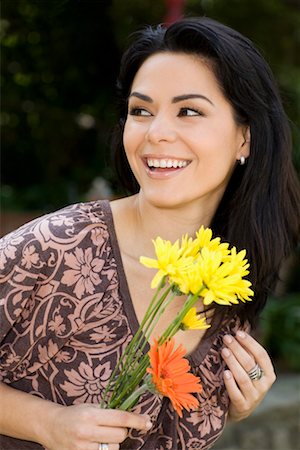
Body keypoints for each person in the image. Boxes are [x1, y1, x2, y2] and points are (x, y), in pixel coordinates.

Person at [1, 16, 299, 450]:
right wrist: (48, 423)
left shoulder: (229, 289)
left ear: (245, 138)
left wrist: (234, 405)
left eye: (189, 111)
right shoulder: (58, 247)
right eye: (141, 111)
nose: (156, 133)